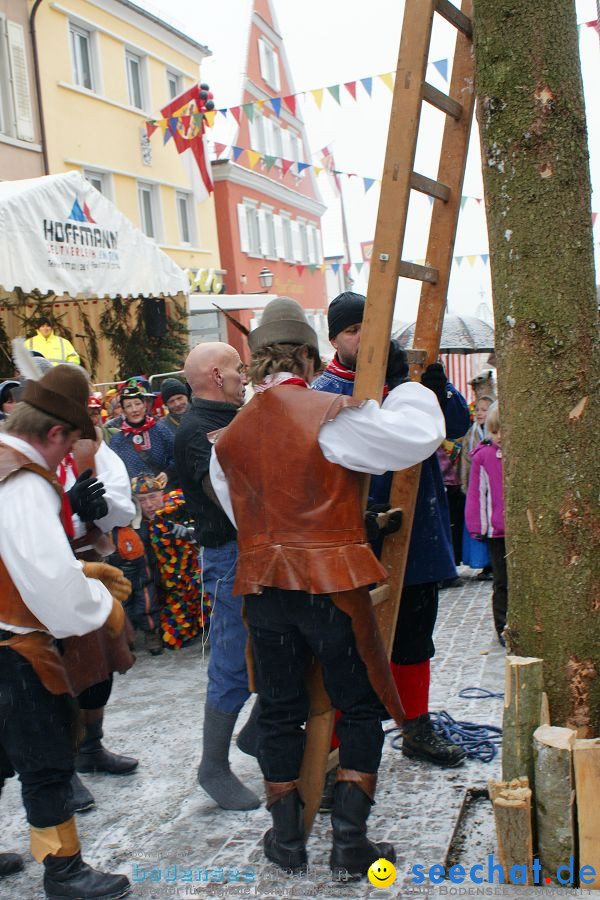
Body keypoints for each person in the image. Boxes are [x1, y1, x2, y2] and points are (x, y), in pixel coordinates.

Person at [208, 297, 445, 877]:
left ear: (255, 362)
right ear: (310, 358)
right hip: (330, 587)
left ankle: (287, 839)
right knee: (358, 707)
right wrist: (407, 384)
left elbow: (242, 516)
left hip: (263, 589)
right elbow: (418, 437)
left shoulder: (229, 435)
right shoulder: (328, 414)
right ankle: (349, 844)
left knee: (282, 708)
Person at [313, 292, 470, 768]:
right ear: (336, 338)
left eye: (369, 326)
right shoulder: (324, 389)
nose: (362, 337)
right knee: (350, 641)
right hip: (357, 533)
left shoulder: (411, 374)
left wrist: (437, 390)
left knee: (415, 634)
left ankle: (415, 725)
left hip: (417, 529)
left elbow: (458, 424)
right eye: (351, 330)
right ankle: (341, 740)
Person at [0, 363, 131, 899]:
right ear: (54, 432)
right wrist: (100, 605)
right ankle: (65, 871)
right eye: (69, 445)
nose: (67, 460)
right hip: (16, 647)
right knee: (46, 760)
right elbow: (46, 579)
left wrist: (82, 570)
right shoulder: (25, 482)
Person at [174, 343, 259, 811]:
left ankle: (257, 733)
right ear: (215, 374)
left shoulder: (225, 418)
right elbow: (234, 496)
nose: (244, 376)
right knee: (231, 657)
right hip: (230, 558)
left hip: (250, 552)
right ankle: (214, 767)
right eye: (238, 369)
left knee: (279, 643)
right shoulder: (195, 430)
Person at [465, 402, 507, 643]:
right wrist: (478, 526)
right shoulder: (483, 456)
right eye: (495, 431)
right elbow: (477, 493)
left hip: (517, 531)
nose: (499, 437)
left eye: (503, 431)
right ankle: (501, 626)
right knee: (501, 582)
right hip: (496, 531)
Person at [110, 384, 175, 486]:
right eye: (128, 406)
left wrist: (168, 473)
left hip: (164, 491)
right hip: (135, 497)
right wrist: (129, 480)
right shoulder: (117, 440)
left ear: (144, 406)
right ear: (123, 411)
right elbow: (114, 470)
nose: (134, 409)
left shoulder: (160, 430)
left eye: (137, 403)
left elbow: (177, 455)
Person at [460, 395, 494, 577]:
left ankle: (492, 563)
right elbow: (465, 463)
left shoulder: (494, 436)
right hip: (476, 487)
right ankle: (482, 562)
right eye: (477, 409)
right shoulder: (470, 434)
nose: (480, 413)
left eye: (484, 410)